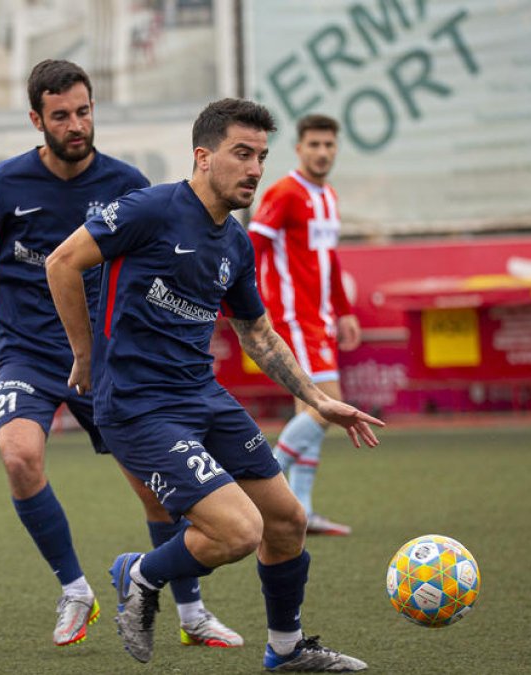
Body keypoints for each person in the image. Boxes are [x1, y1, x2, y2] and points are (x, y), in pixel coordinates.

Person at [45, 98, 382, 670]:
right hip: (138, 405)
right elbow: (61, 262)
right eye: (241, 154)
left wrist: (319, 399)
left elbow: (259, 334)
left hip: (202, 396)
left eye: (262, 157)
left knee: (286, 521)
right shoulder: (149, 209)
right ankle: (139, 573)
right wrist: (84, 354)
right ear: (203, 157)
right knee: (238, 532)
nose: (255, 169)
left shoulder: (235, 243)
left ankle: (286, 650)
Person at [0, 59, 243, 649]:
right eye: (61, 116)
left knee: (155, 485)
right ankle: (75, 589)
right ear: (37, 119)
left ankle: (191, 613)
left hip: (103, 354)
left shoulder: (127, 183)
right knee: (18, 453)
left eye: (84, 111)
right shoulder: (7, 182)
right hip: (29, 350)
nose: (76, 124)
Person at [248, 114, 361, 536]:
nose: (322, 152)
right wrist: (244, 302)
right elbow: (253, 246)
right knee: (324, 407)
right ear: (298, 149)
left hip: (321, 320)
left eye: (329, 145)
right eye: (314, 144)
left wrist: (344, 310)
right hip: (292, 318)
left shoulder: (328, 196)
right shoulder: (284, 193)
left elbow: (329, 259)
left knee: (315, 412)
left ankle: (301, 511)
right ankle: (258, 490)